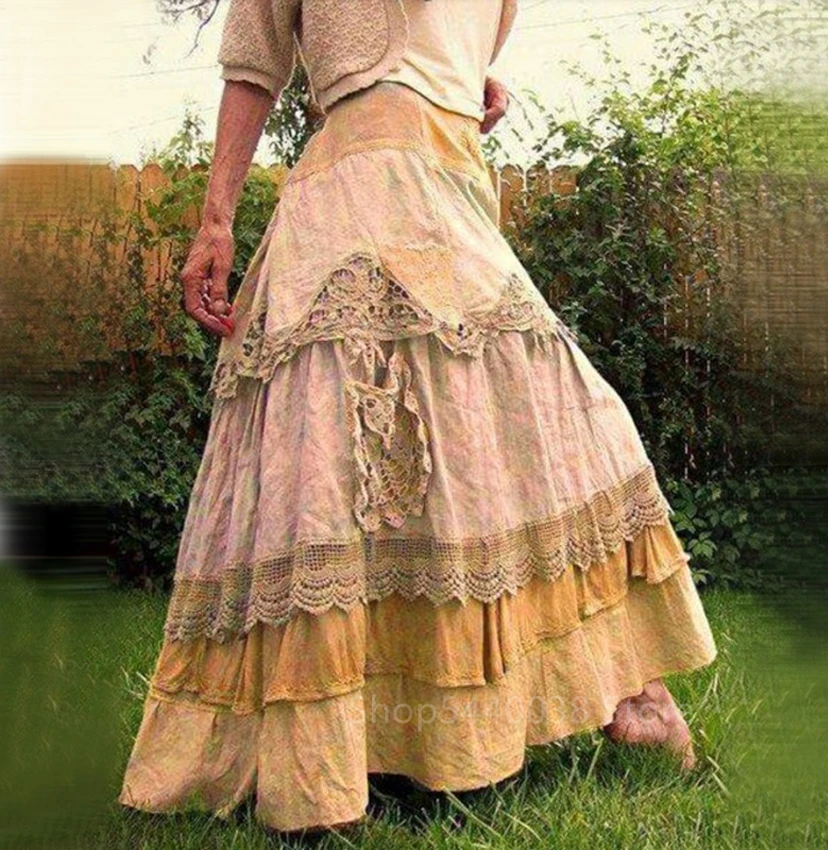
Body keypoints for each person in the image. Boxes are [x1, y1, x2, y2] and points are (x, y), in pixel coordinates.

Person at [118, 0, 717, 837]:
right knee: (347, 457)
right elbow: (255, 57)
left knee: (510, 433)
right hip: (367, 184)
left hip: (451, 175)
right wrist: (215, 219)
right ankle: (324, 759)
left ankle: (600, 695)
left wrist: (469, 75)